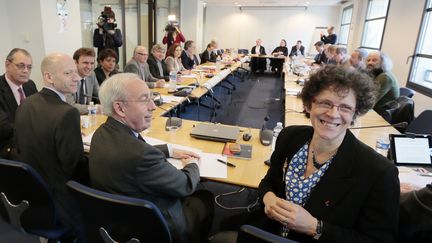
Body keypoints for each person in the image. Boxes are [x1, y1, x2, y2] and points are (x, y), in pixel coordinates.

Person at [255, 65, 399, 242]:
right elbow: (268, 182)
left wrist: (315, 227)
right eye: (325, 103)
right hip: (268, 233)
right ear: (309, 104)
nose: (333, 114)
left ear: (356, 113)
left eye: (345, 107)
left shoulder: (379, 172)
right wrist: (268, 198)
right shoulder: (289, 137)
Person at [89, 73, 214, 243]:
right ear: (119, 108)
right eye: (144, 100)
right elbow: (185, 185)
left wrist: (168, 149)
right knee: (205, 197)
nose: (153, 106)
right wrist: (192, 164)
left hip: (117, 220)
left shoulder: (101, 133)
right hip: (155, 226)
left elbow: (128, 154)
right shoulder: (141, 156)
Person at [13, 53, 88, 241]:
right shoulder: (67, 113)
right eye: (68, 73)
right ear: (48, 77)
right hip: (61, 204)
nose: (77, 78)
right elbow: (74, 166)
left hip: (31, 198)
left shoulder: (26, 103)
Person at [0, 48, 37, 158]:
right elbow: (4, 128)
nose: (26, 70)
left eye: (29, 67)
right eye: (21, 66)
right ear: (7, 65)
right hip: (8, 146)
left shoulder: (30, 85)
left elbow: (40, 112)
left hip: (30, 140)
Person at [66, 47, 100, 115]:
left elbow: (99, 94)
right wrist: (94, 108)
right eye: (85, 63)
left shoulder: (92, 74)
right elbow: (70, 106)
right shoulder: (67, 77)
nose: (89, 67)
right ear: (75, 62)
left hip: (87, 117)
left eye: (92, 63)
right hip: (71, 116)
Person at [366, 51, 400, 116]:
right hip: (375, 110)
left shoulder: (385, 77)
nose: (370, 62)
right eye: (368, 60)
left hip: (379, 114)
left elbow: (371, 101)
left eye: (374, 60)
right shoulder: (377, 73)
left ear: (383, 62)